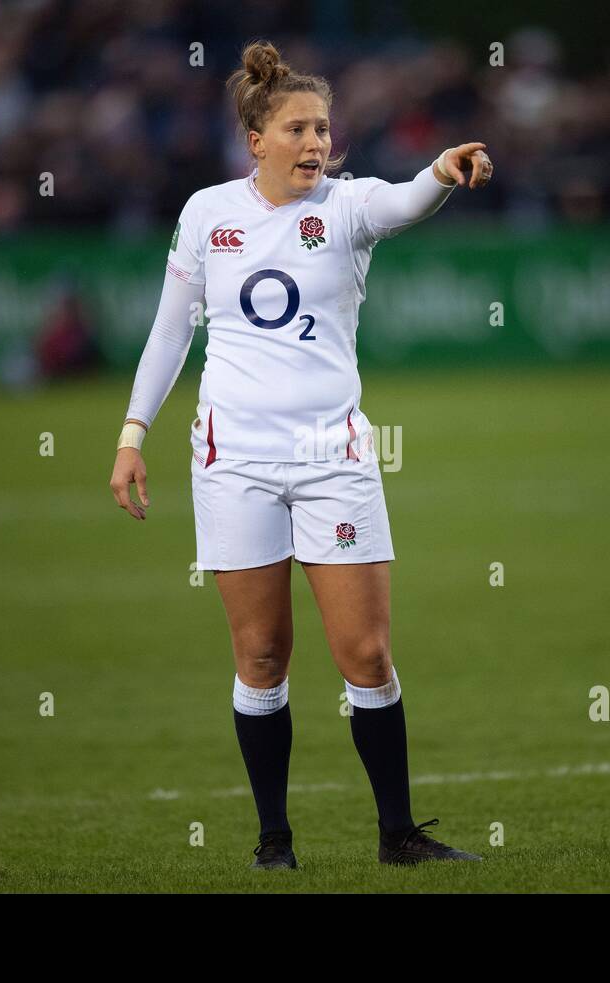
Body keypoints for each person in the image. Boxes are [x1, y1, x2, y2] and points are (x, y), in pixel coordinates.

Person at [109, 40, 493, 869]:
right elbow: (172, 332)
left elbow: (403, 203)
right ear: (256, 138)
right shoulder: (209, 213)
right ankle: (273, 841)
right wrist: (132, 435)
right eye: (298, 129)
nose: (316, 143)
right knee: (261, 655)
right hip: (234, 461)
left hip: (333, 458)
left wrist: (442, 169)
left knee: (367, 655)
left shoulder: (348, 207)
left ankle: (398, 836)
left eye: (323, 129)